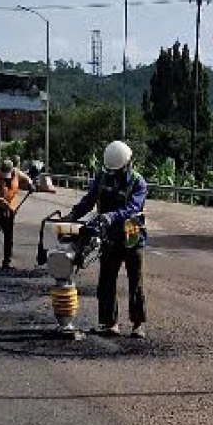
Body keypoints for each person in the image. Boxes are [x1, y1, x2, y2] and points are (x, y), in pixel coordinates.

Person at [66, 140, 149, 338]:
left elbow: (133, 207)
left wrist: (111, 216)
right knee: (106, 280)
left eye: (118, 170)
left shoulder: (138, 182)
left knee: (135, 280)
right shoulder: (103, 178)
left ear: (128, 164)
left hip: (131, 236)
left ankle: (138, 324)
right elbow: (90, 199)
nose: (115, 174)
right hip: (109, 236)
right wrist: (73, 215)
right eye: (112, 170)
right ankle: (109, 322)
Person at [0, 158, 35, 269]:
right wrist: (9, 209)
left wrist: (30, 185)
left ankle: (6, 263)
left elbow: (27, 178)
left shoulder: (16, 173)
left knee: (8, 236)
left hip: (10, 209)